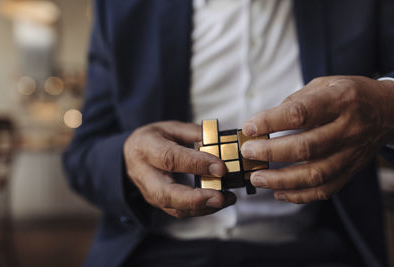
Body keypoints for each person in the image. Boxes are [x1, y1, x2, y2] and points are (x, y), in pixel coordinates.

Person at [63, 0, 394, 266]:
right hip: (156, 248)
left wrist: (387, 104)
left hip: (318, 246)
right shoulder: (120, 7)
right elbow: (83, 154)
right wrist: (127, 158)